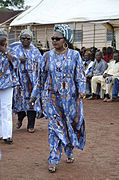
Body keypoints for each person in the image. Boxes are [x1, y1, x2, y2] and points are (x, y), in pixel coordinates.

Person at [32, 24, 86, 172]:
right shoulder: (47, 56)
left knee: (69, 126)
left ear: (65, 39)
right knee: (54, 128)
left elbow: (80, 75)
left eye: (58, 38)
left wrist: (82, 90)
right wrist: (34, 95)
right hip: (51, 99)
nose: (54, 40)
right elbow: (40, 78)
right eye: (53, 38)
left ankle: (69, 152)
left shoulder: (75, 55)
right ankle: (53, 158)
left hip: (71, 99)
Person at [12, 29, 42, 133]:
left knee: (31, 102)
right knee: (20, 103)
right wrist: (18, 59)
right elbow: (10, 61)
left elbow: (41, 65)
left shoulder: (36, 51)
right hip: (20, 82)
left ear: (31, 39)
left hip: (32, 82)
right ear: (20, 39)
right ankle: (20, 118)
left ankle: (31, 125)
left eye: (28, 38)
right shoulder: (15, 50)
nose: (25, 40)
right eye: (23, 38)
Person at [0, 29, 19, 144]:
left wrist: (5, 52)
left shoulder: (11, 51)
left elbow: (16, 64)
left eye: (3, 38)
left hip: (7, 83)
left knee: (6, 108)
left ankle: (7, 135)